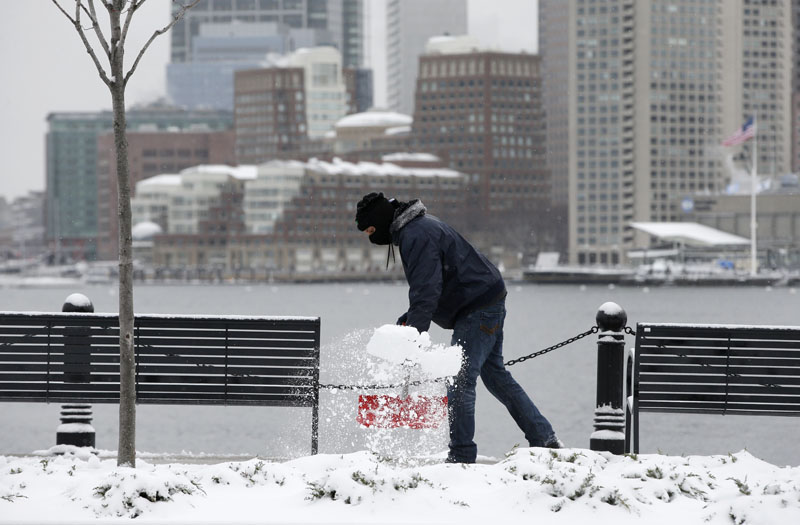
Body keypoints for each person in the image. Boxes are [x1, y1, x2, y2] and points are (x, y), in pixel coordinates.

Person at [354, 192, 563, 463]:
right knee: (496, 376)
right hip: (487, 298)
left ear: (380, 221)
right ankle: (544, 438)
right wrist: (411, 319)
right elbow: (435, 283)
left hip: (477, 307)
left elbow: (426, 289)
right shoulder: (418, 226)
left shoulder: (415, 235)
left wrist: (412, 337)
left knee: (459, 380)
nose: (371, 237)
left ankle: (462, 456)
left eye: (370, 230)